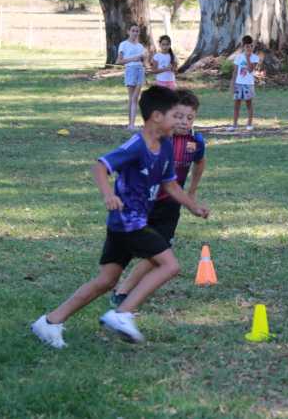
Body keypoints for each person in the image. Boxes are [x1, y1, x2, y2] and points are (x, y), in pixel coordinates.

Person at [31, 86, 210, 347]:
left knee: (106, 280)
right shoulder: (136, 146)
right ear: (157, 117)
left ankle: (49, 322)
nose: (180, 122)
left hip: (127, 223)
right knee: (170, 265)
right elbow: (100, 167)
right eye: (175, 116)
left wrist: (192, 205)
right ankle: (123, 313)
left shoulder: (167, 146)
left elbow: (170, 185)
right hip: (129, 221)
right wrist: (107, 195)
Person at [111, 88, 207, 307]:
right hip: (145, 202)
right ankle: (114, 284)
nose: (184, 122)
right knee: (136, 250)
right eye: (179, 116)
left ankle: (123, 291)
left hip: (171, 204)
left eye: (189, 118)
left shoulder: (196, 141)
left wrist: (191, 192)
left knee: (161, 250)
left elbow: (200, 163)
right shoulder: (160, 139)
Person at [116, 24, 147, 130]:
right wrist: (133, 59)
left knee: (135, 98)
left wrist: (143, 60)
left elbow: (143, 61)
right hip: (130, 70)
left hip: (140, 71)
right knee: (132, 98)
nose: (135, 33)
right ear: (128, 31)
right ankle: (131, 124)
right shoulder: (123, 44)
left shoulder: (140, 46)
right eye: (133, 30)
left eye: (137, 31)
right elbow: (119, 61)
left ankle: (132, 124)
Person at [227, 35, 260, 132]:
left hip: (248, 84)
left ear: (252, 46)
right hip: (238, 83)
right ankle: (234, 125)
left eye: (250, 46)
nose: (249, 48)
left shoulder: (255, 57)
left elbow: (250, 70)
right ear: (243, 47)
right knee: (236, 105)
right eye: (247, 46)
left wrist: (248, 57)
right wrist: (232, 84)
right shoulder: (238, 57)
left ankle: (249, 124)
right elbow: (235, 72)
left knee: (249, 104)